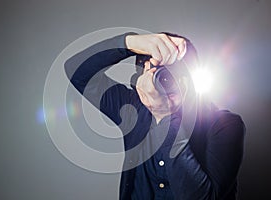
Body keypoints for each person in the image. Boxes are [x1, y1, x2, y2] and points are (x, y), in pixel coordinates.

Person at [64, 32, 245, 200]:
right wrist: (130, 43)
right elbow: (75, 70)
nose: (168, 79)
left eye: (176, 70)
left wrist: (165, 116)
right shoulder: (132, 109)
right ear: (142, 73)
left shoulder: (225, 124)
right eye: (160, 70)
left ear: (192, 75)